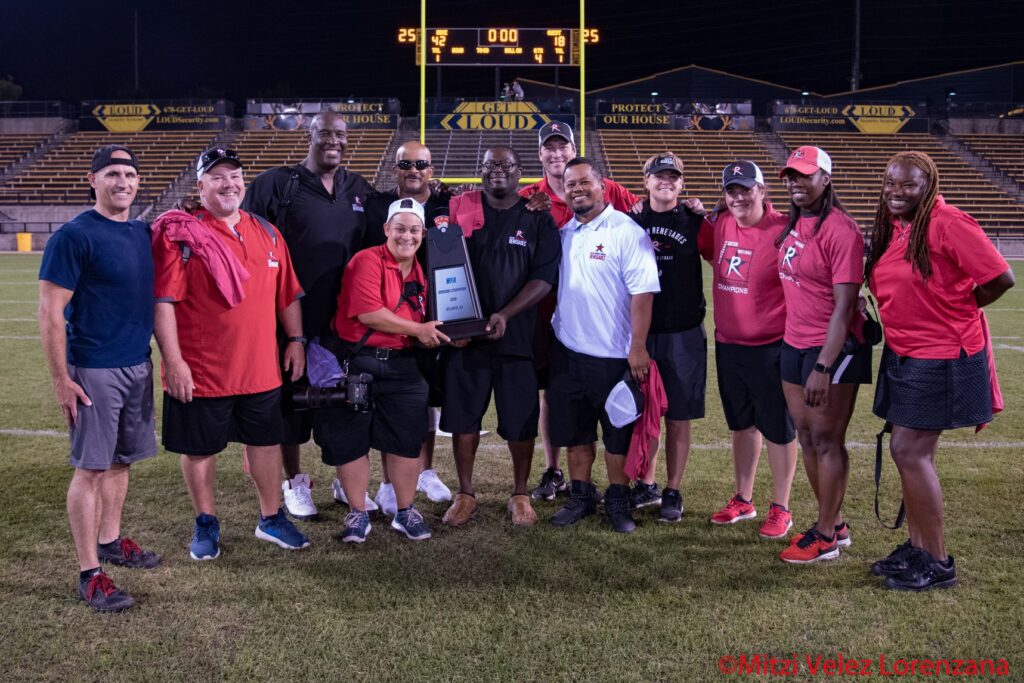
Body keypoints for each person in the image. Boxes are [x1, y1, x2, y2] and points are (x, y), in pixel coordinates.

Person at [865, 151, 1013, 590]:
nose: (896, 191)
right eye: (890, 182)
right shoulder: (896, 227)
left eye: (908, 184)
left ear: (927, 185)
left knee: (909, 451)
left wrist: (957, 308)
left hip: (943, 352)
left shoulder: (948, 223)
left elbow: (1000, 277)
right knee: (911, 452)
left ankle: (937, 560)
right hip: (906, 351)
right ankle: (918, 548)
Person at [153, 147, 310, 561]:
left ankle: (271, 517)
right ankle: (206, 521)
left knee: (266, 442)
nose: (229, 184)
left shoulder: (267, 231)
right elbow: (163, 301)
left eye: (235, 176)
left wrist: (296, 340)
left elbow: (288, 294)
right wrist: (173, 361)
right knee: (200, 449)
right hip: (203, 369)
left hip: (261, 367)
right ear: (200, 186)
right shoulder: (182, 234)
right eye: (217, 177)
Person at [39, 145, 159, 612]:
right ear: (93, 180)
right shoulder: (73, 235)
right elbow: (51, 314)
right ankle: (90, 572)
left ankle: (110, 540)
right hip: (93, 368)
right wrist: (59, 378)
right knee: (90, 468)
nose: (123, 181)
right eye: (112, 173)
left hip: (137, 363)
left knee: (120, 461)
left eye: (130, 173)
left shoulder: (140, 231)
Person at [242, 110, 373, 520]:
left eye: (341, 135)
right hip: (286, 318)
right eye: (325, 133)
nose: (334, 141)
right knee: (288, 407)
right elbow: (241, 235)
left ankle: (344, 479)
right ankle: (295, 480)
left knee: (345, 406)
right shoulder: (276, 184)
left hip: (345, 323)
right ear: (310, 136)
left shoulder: (359, 189)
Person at [313, 198, 450, 543]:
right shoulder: (367, 260)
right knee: (351, 441)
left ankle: (405, 511)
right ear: (386, 229)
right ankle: (358, 513)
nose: (407, 236)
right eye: (400, 228)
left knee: (406, 441)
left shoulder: (421, 270)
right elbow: (368, 313)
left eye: (414, 230)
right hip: (360, 363)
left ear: (423, 233)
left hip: (404, 365)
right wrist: (419, 330)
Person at [439, 146, 561, 528]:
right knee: (463, 418)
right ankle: (465, 493)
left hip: (518, 337)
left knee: (520, 420)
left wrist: (506, 314)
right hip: (465, 337)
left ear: (520, 172)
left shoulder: (536, 217)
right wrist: (453, 324)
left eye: (506, 166)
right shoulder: (461, 209)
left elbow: (544, 276)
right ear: (480, 170)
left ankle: (521, 493)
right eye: (490, 165)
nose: (497, 172)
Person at [520, 121, 641, 501]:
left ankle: (635, 483)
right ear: (540, 154)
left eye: (563, 146)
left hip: (602, 318)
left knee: (616, 408)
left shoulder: (606, 190)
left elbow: (646, 210)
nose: (556, 154)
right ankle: (553, 470)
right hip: (544, 314)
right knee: (552, 396)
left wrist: (689, 207)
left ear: (574, 150)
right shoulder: (529, 196)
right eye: (549, 148)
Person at [546, 157, 660, 533]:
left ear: (602, 184)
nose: (577, 189)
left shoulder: (626, 231)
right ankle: (581, 495)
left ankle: (617, 499)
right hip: (568, 351)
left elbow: (642, 295)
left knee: (617, 436)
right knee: (576, 432)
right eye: (570, 184)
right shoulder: (565, 234)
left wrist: (638, 347)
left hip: (613, 355)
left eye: (584, 182)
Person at [774, 146, 872, 564]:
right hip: (793, 343)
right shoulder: (795, 224)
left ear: (825, 179)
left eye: (805, 176)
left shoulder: (841, 230)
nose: (797, 183)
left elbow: (845, 307)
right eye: (791, 177)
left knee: (828, 440)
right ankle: (834, 521)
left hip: (828, 351)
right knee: (808, 437)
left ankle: (826, 536)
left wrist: (823, 365)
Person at [698, 161, 798, 538]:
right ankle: (744, 498)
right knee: (741, 425)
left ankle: (782, 507)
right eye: (731, 190)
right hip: (729, 344)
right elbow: (708, 251)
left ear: (762, 190)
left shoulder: (783, 229)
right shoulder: (720, 222)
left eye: (745, 188)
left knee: (778, 429)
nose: (738, 196)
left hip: (771, 346)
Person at [361, 141, 454, 515]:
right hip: (392, 316)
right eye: (405, 163)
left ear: (432, 169)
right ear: (395, 168)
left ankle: (426, 470)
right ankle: (388, 479)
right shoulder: (375, 206)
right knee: (393, 400)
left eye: (421, 163)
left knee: (426, 397)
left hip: (435, 312)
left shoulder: (449, 204)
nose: (413, 169)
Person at [630, 153, 707, 521]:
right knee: (640, 413)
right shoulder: (631, 219)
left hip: (683, 332)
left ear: (681, 183)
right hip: (638, 332)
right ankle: (646, 483)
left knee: (678, 414)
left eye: (673, 177)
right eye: (659, 176)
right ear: (645, 181)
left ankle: (673, 489)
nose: (666, 181)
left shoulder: (695, 220)